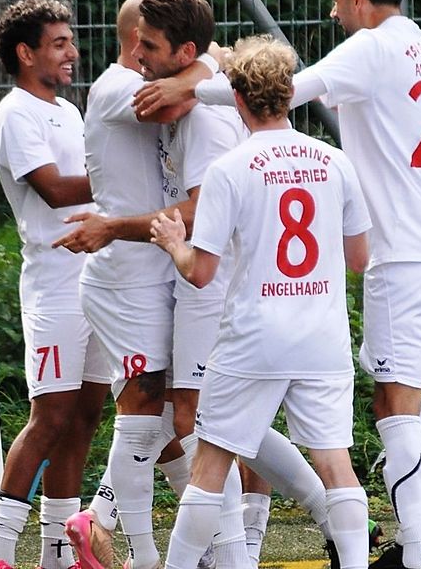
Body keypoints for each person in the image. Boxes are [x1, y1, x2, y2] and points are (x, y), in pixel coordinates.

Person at [134, 0, 421, 569]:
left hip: (395, 258)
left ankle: (419, 553)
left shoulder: (370, 48)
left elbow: (291, 87)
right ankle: (399, 548)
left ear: (360, 1)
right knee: (386, 413)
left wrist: (191, 84)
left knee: (392, 403)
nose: (334, 10)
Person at [150, 34, 373, 569]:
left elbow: (201, 273)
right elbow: (360, 258)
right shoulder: (335, 160)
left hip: (254, 337)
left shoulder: (231, 168)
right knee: (335, 464)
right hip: (321, 336)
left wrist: (174, 243)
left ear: (240, 98)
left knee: (210, 463)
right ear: (289, 93)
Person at [56, 0, 250, 569]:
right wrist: (213, 63)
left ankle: (129, 539)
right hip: (130, 278)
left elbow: (188, 95)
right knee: (162, 414)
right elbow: (174, 104)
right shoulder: (119, 87)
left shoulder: (180, 92)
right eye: (143, 44)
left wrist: (208, 62)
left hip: (158, 272)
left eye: (157, 49)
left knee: (166, 417)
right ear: (134, 40)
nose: (146, 56)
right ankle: (123, 534)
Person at [0, 0, 112, 569]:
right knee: (51, 414)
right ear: (25, 52)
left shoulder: (68, 110)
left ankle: (58, 552)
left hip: (96, 279)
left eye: (71, 41)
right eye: (58, 43)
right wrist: (124, 174)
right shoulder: (15, 113)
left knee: (87, 413)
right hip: (54, 283)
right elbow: (57, 191)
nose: (72, 53)